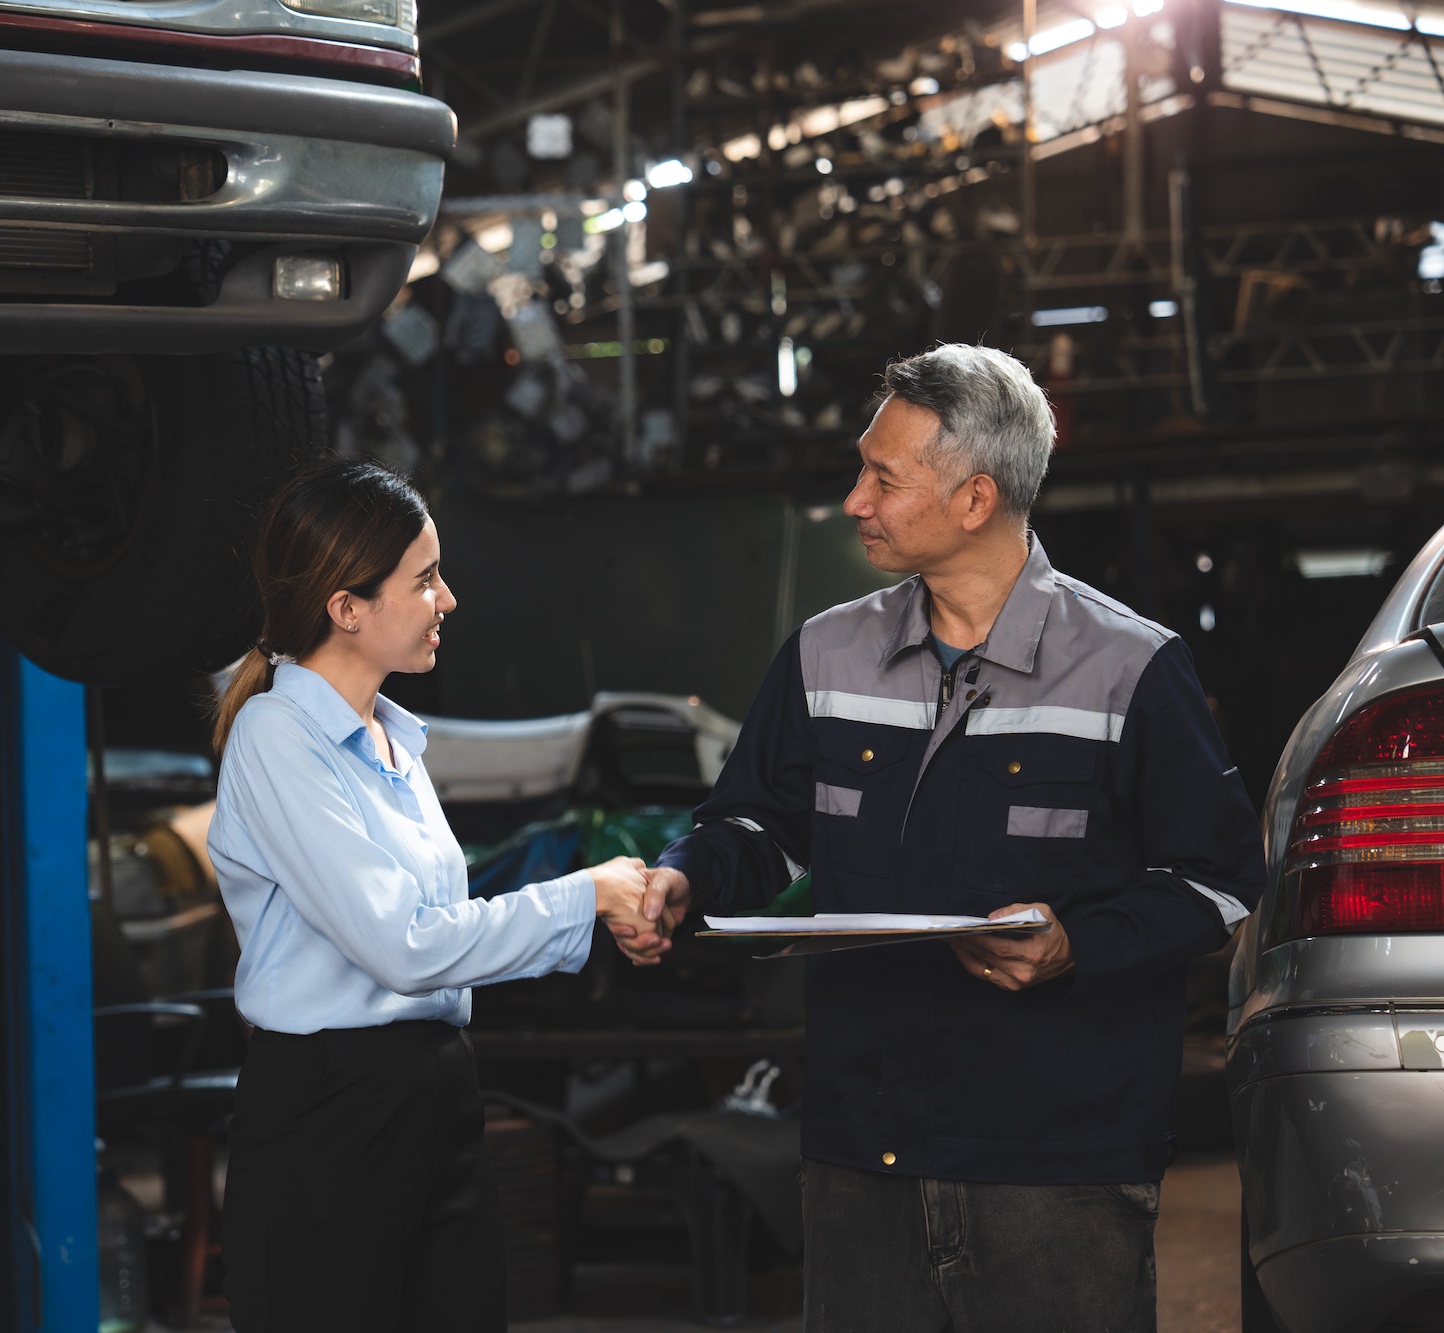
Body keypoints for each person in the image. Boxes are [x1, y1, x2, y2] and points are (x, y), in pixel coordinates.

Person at [624, 344, 1265, 1332]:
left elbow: (1216, 880)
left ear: (974, 499)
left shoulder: (1128, 669)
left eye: (882, 478)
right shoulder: (822, 654)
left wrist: (1072, 945)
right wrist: (682, 878)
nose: (853, 501)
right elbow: (758, 826)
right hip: (858, 1151)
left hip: (1054, 1166)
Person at [208, 458, 654, 1333]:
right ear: (347, 607)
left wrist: (601, 906)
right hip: (330, 1110)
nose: (446, 599)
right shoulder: (276, 737)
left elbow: (442, 926)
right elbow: (404, 944)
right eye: (424, 579)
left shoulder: (393, 743)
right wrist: (582, 897)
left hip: (433, 1091)